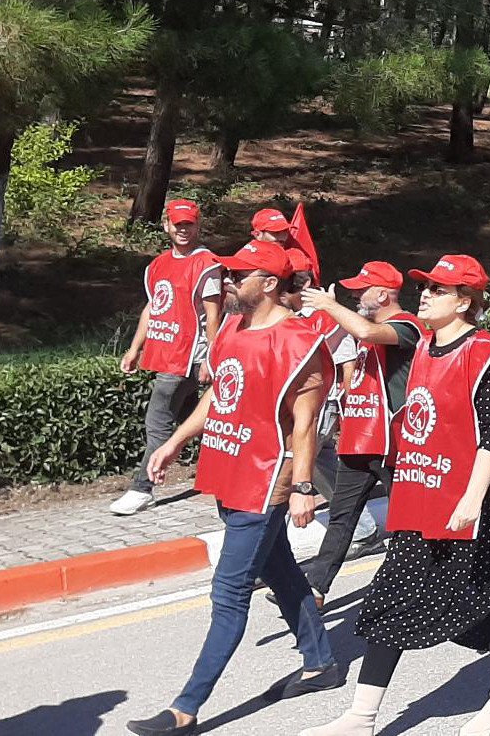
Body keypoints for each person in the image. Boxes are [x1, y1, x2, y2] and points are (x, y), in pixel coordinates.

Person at [302, 254, 490, 736]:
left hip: (473, 503)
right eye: (425, 286)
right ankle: (361, 717)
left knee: (481, 602)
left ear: (465, 301)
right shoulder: (426, 347)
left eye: (438, 289)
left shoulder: (483, 352)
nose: (425, 295)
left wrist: (471, 499)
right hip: (422, 494)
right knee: (392, 596)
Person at [126, 240, 337, 736]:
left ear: (268, 284)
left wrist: (304, 486)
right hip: (228, 470)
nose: (227, 283)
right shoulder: (232, 329)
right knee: (280, 568)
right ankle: (321, 662)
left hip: (266, 482)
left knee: (229, 592)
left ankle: (186, 708)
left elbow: (305, 426)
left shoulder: (299, 343)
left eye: (239, 276)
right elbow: (220, 394)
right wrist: (175, 440)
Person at [294, 261, 425, 604]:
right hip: (358, 439)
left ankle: (416, 583)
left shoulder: (406, 326)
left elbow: (367, 334)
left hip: (393, 444)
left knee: (407, 521)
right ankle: (315, 589)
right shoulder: (363, 327)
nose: (355, 295)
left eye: (362, 289)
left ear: (383, 294)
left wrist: (329, 306)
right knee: (341, 516)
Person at [112, 199, 224, 517]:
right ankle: (226, 474)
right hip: (165, 354)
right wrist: (135, 348)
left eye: (189, 223)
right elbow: (153, 308)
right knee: (201, 422)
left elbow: (213, 316)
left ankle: (141, 488)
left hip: (189, 357)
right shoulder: (158, 265)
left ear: (198, 226)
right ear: (166, 225)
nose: (183, 229)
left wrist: (211, 358)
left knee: (158, 421)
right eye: (178, 223)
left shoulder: (207, 264)